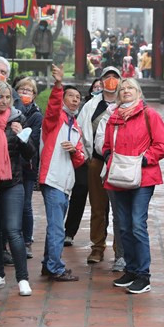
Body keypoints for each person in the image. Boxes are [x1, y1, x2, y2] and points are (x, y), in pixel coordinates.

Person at [102, 78, 164, 294]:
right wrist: (108, 157)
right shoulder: (113, 117)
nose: (126, 91)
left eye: (130, 88)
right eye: (122, 89)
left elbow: (163, 145)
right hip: (118, 177)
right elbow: (105, 145)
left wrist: (143, 159)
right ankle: (130, 269)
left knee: (137, 223)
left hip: (142, 177)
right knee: (123, 225)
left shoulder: (149, 115)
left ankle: (143, 274)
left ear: (139, 92)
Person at [0, 81, 35, 296]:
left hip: (13, 182)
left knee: (13, 231)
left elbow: (30, 154)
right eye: (0, 97)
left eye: (7, 97)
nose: (3, 101)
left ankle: (23, 279)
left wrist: (22, 136)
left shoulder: (18, 119)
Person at [38, 64, 86, 281]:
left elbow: (81, 159)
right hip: (53, 179)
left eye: (78, 97)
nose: (76, 100)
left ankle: (49, 265)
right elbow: (53, 106)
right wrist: (58, 84)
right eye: (71, 96)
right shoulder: (54, 120)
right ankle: (56, 267)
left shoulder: (75, 126)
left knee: (56, 226)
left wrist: (75, 150)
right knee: (57, 228)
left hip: (66, 183)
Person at [78, 67, 123, 267]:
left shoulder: (126, 104)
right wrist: (88, 157)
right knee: (98, 207)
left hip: (119, 164)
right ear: (101, 81)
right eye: (107, 77)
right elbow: (80, 129)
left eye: (115, 77)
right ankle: (97, 247)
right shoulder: (91, 105)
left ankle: (120, 252)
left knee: (120, 209)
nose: (111, 80)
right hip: (96, 162)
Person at [64, 80, 101, 246]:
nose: (99, 89)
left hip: (104, 160)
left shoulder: (115, 106)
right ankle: (69, 232)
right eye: (96, 87)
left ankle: (100, 240)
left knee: (102, 202)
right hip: (84, 159)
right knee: (79, 195)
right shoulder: (87, 107)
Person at [13, 77, 43, 259]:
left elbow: (34, 140)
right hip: (11, 163)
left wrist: (20, 131)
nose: (25, 93)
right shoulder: (9, 111)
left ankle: (26, 241)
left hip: (27, 166)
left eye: (29, 91)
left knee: (25, 205)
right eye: (22, 90)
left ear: (34, 95)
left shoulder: (36, 115)